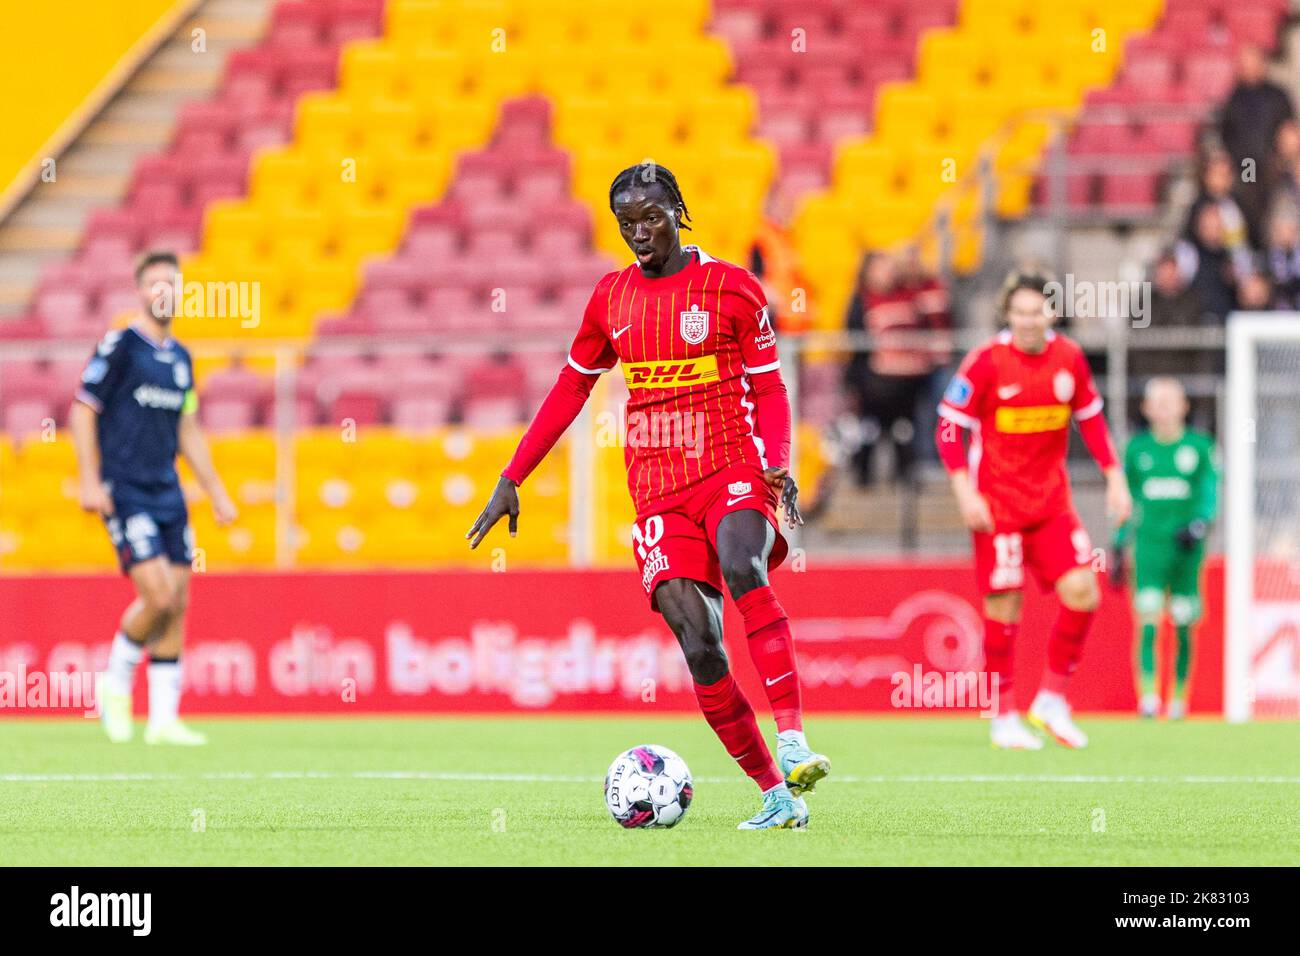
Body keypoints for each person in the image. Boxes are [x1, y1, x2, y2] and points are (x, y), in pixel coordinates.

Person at [466, 163, 828, 830]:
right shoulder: (612, 299)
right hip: (658, 489)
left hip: (731, 466)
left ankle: (795, 737)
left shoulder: (732, 289)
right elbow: (570, 388)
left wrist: (777, 465)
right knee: (699, 642)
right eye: (627, 223)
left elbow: (771, 389)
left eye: (651, 218)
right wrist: (512, 476)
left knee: (743, 562)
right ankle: (777, 793)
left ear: (677, 212)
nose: (640, 232)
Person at [934, 270, 1131, 750]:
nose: (1027, 320)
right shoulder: (986, 362)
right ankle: (1003, 716)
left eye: (1036, 311)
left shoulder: (1070, 359)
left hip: (1050, 504)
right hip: (997, 505)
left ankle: (1050, 701)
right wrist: (964, 492)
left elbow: (1092, 420)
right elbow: (947, 428)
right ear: (1008, 314)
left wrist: (1115, 477)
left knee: (1084, 591)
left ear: (1052, 313)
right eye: (1019, 312)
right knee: (1005, 606)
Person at [70, 250, 238, 745]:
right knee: (158, 595)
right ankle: (115, 683)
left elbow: (188, 428)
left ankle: (163, 720)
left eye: (173, 282)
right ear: (142, 292)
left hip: (168, 492)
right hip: (126, 489)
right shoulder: (122, 345)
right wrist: (88, 479)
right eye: (155, 283)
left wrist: (216, 491)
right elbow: (83, 409)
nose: (164, 291)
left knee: (179, 601)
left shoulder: (182, 360)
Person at [1110, 378, 1218, 720]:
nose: (1164, 407)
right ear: (1145, 408)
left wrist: (1201, 522)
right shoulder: (1137, 450)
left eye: (1171, 400)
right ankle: (1148, 699)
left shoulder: (1200, 448)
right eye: (1157, 401)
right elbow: (1125, 500)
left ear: (1185, 406)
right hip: (1149, 549)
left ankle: (1178, 699)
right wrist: (1117, 544)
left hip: (1186, 551)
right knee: (1149, 621)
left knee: (1185, 623)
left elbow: (1210, 491)